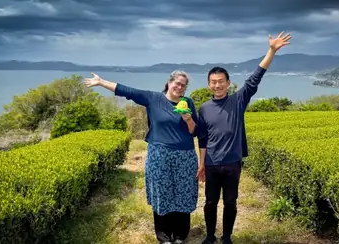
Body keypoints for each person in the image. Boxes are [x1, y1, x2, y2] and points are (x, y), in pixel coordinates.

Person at [195, 32, 292, 244]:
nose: (217, 85)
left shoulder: (238, 101)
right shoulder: (204, 108)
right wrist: (201, 164)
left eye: (221, 81)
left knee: (230, 202)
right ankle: (210, 236)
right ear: (209, 84)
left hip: (232, 162)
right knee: (210, 202)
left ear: (228, 83)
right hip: (211, 163)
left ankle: (227, 236)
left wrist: (272, 50)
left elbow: (257, 75)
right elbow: (202, 139)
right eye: (213, 82)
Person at [84, 70, 199, 244]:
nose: (179, 87)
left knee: (183, 192)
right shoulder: (153, 98)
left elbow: (194, 132)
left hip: (185, 156)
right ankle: (164, 236)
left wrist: (188, 120)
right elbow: (127, 91)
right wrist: (101, 82)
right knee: (162, 192)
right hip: (159, 155)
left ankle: (180, 235)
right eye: (177, 83)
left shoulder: (187, 102)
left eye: (183, 85)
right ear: (169, 82)